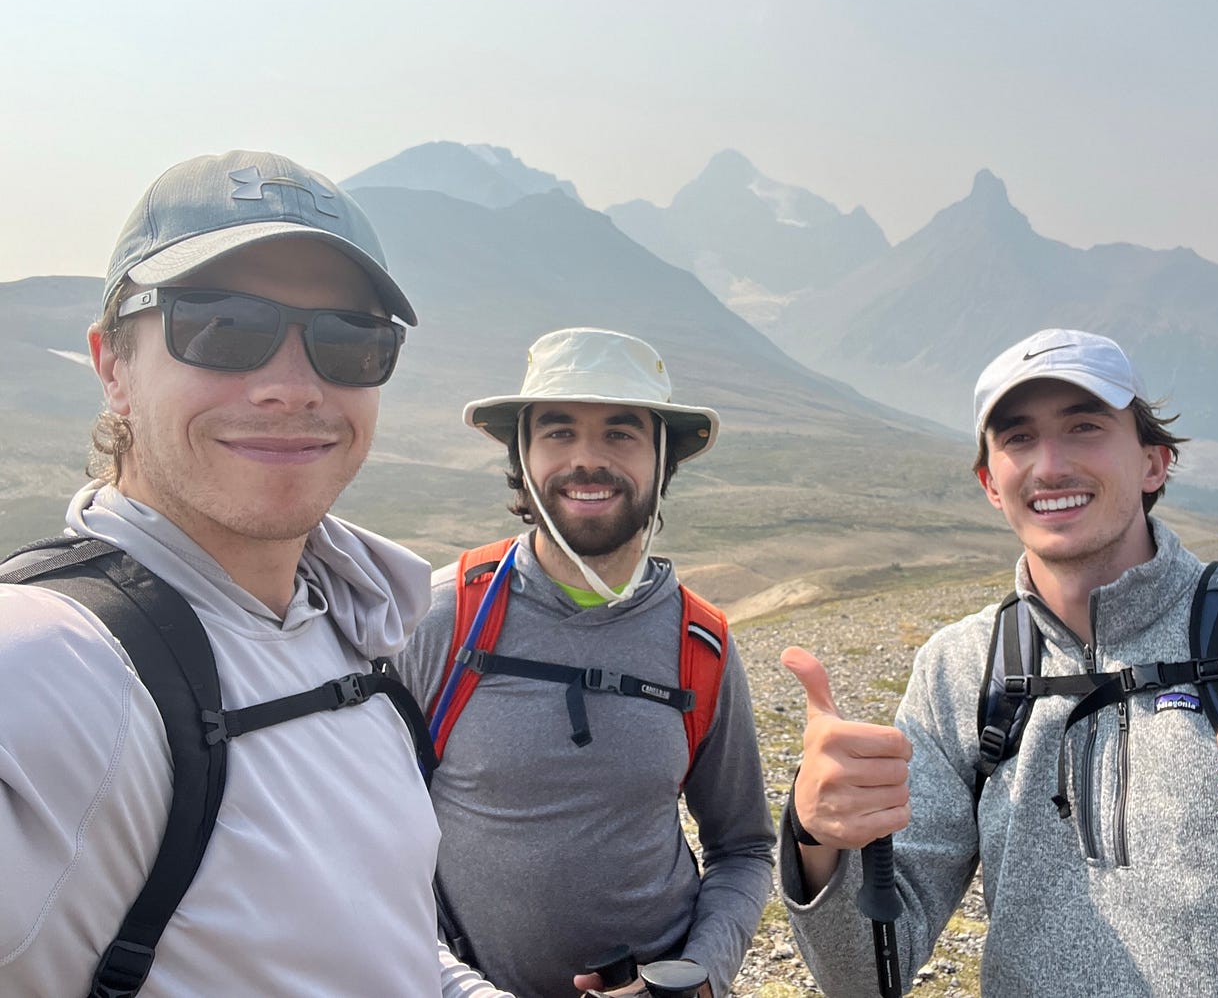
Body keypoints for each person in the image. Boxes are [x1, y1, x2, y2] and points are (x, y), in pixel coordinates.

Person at [778, 328, 1218, 996]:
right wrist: (817, 845)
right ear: (991, 482)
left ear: (1154, 463)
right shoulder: (958, 671)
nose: (1049, 465)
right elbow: (868, 975)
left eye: (1085, 426)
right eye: (1017, 437)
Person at [0, 150, 508, 997]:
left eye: (350, 341)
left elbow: (392, 946)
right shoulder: (53, 665)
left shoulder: (353, 628)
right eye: (224, 326)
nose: (291, 386)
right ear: (112, 366)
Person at [397, 327, 775, 998]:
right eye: (559, 433)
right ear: (523, 454)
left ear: (663, 461)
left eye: (622, 434)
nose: (588, 461)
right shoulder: (441, 619)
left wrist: (698, 980)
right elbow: (365, 846)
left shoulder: (702, 644)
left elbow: (742, 849)